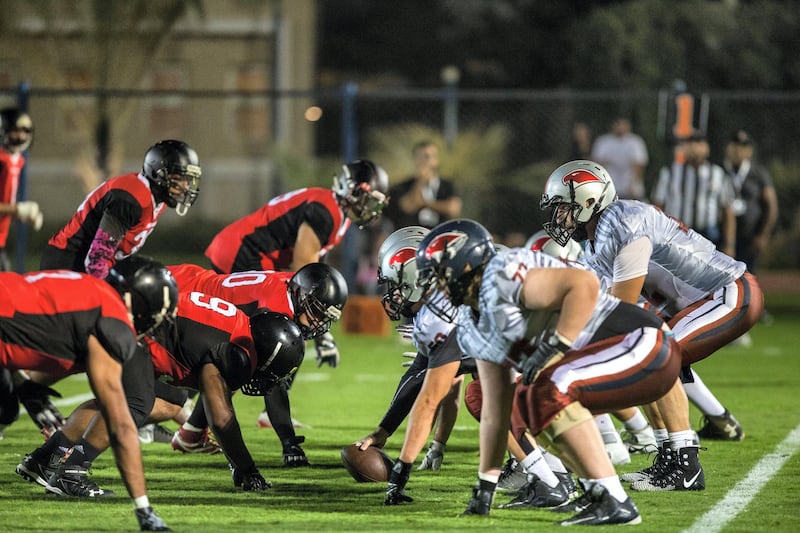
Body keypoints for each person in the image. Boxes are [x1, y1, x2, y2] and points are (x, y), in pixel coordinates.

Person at [414, 218, 681, 525]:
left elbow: (583, 285)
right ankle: (602, 493)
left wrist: (556, 345)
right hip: (617, 357)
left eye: (438, 274)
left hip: (644, 341)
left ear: (463, 266)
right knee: (525, 403)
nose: (435, 286)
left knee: (550, 387)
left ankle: (614, 498)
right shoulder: (472, 324)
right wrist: (485, 485)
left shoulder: (501, 274)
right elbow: (495, 412)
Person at [540, 160, 764, 492]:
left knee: (652, 355)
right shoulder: (598, 237)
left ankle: (685, 465)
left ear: (589, 202)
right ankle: (669, 458)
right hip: (707, 299)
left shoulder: (624, 223)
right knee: (641, 351)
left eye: (564, 208)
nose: (559, 217)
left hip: (730, 291)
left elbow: (621, 308)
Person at [204, 159, 385, 458]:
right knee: (267, 339)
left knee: (280, 336)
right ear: (351, 191)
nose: (370, 207)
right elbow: (304, 266)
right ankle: (191, 418)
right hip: (243, 253)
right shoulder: (326, 210)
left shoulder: (337, 213)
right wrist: (322, 331)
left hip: (250, 256)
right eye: (367, 199)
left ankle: (204, 425)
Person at [6, 256, 177, 531]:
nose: (152, 323)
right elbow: (120, 425)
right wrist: (144, 508)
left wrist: (23, 386)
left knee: (6, 408)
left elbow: (21, 321)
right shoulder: (112, 323)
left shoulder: (90, 289)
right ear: (134, 301)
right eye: (153, 313)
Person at [166, 262, 347, 465]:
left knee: (232, 368)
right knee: (169, 402)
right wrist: (289, 442)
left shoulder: (294, 286)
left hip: (189, 287)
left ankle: (192, 433)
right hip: (179, 294)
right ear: (303, 295)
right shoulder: (277, 308)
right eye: (317, 312)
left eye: (324, 317)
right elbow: (273, 383)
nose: (317, 323)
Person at [40, 139, 201, 277]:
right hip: (67, 263)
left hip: (88, 265)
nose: (185, 187)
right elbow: (96, 260)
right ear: (157, 174)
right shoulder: (131, 198)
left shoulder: (158, 198)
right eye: (178, 179)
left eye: (187, 180)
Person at [651, 131, 736, 256]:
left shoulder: (718, 174)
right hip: (676, 234)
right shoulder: (669, 173)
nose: (694, 148)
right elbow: (658, 207)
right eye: (690, 143)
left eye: (699, 143)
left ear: (707, 148)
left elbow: (727, 210)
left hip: (708, 235)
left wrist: (729, 244)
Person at [723, 129, 778, 275]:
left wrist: (763, 235)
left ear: (749, 151)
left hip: (749, 236)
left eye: (742, 146)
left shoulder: (758, 173)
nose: (737, 150)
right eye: (734, 145)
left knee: (748, 278)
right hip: (723, 236)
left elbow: (771, 206)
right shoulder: (721, 170)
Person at [382, 140, 461, 230]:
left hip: (440, 233)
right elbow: (407, 206)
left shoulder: (447, 185)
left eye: (427, 157)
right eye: (420, 157)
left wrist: (425, 203)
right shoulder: (404, 186)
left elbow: (453, 209)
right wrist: (420, 182)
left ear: (436, 160)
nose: (423, 161)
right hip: (414, 235)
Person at [0, 107, 43, 272]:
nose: (22, 136)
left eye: (25, 131)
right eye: (16, 131)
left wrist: (20, 213)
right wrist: (18, 210)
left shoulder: (15, 160)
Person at [590, 117, 648, 200]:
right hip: (609, 190)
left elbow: (639, 165)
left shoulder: (635, 142)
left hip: (630, 191)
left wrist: (634, 185)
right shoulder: (603, 142)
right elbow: (597, 165)